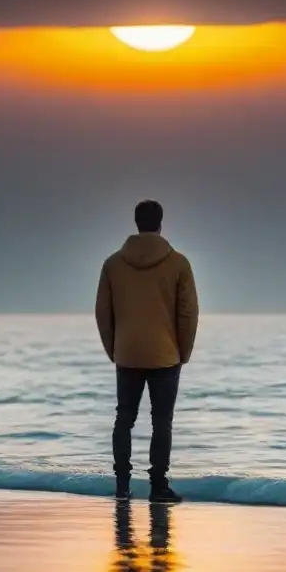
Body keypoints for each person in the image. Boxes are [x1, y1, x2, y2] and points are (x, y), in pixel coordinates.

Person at [95, 200, 199, 503]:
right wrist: (184, 351)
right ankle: (158, 486)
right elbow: (188, 312)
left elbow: (103, 311)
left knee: (124, 419)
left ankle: (123, 485)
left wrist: (114, 348)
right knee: (161, 421)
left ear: (137, 222)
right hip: (166, 354)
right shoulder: (179, 263)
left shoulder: (113, 264)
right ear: (160, 223)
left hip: (127, 352)